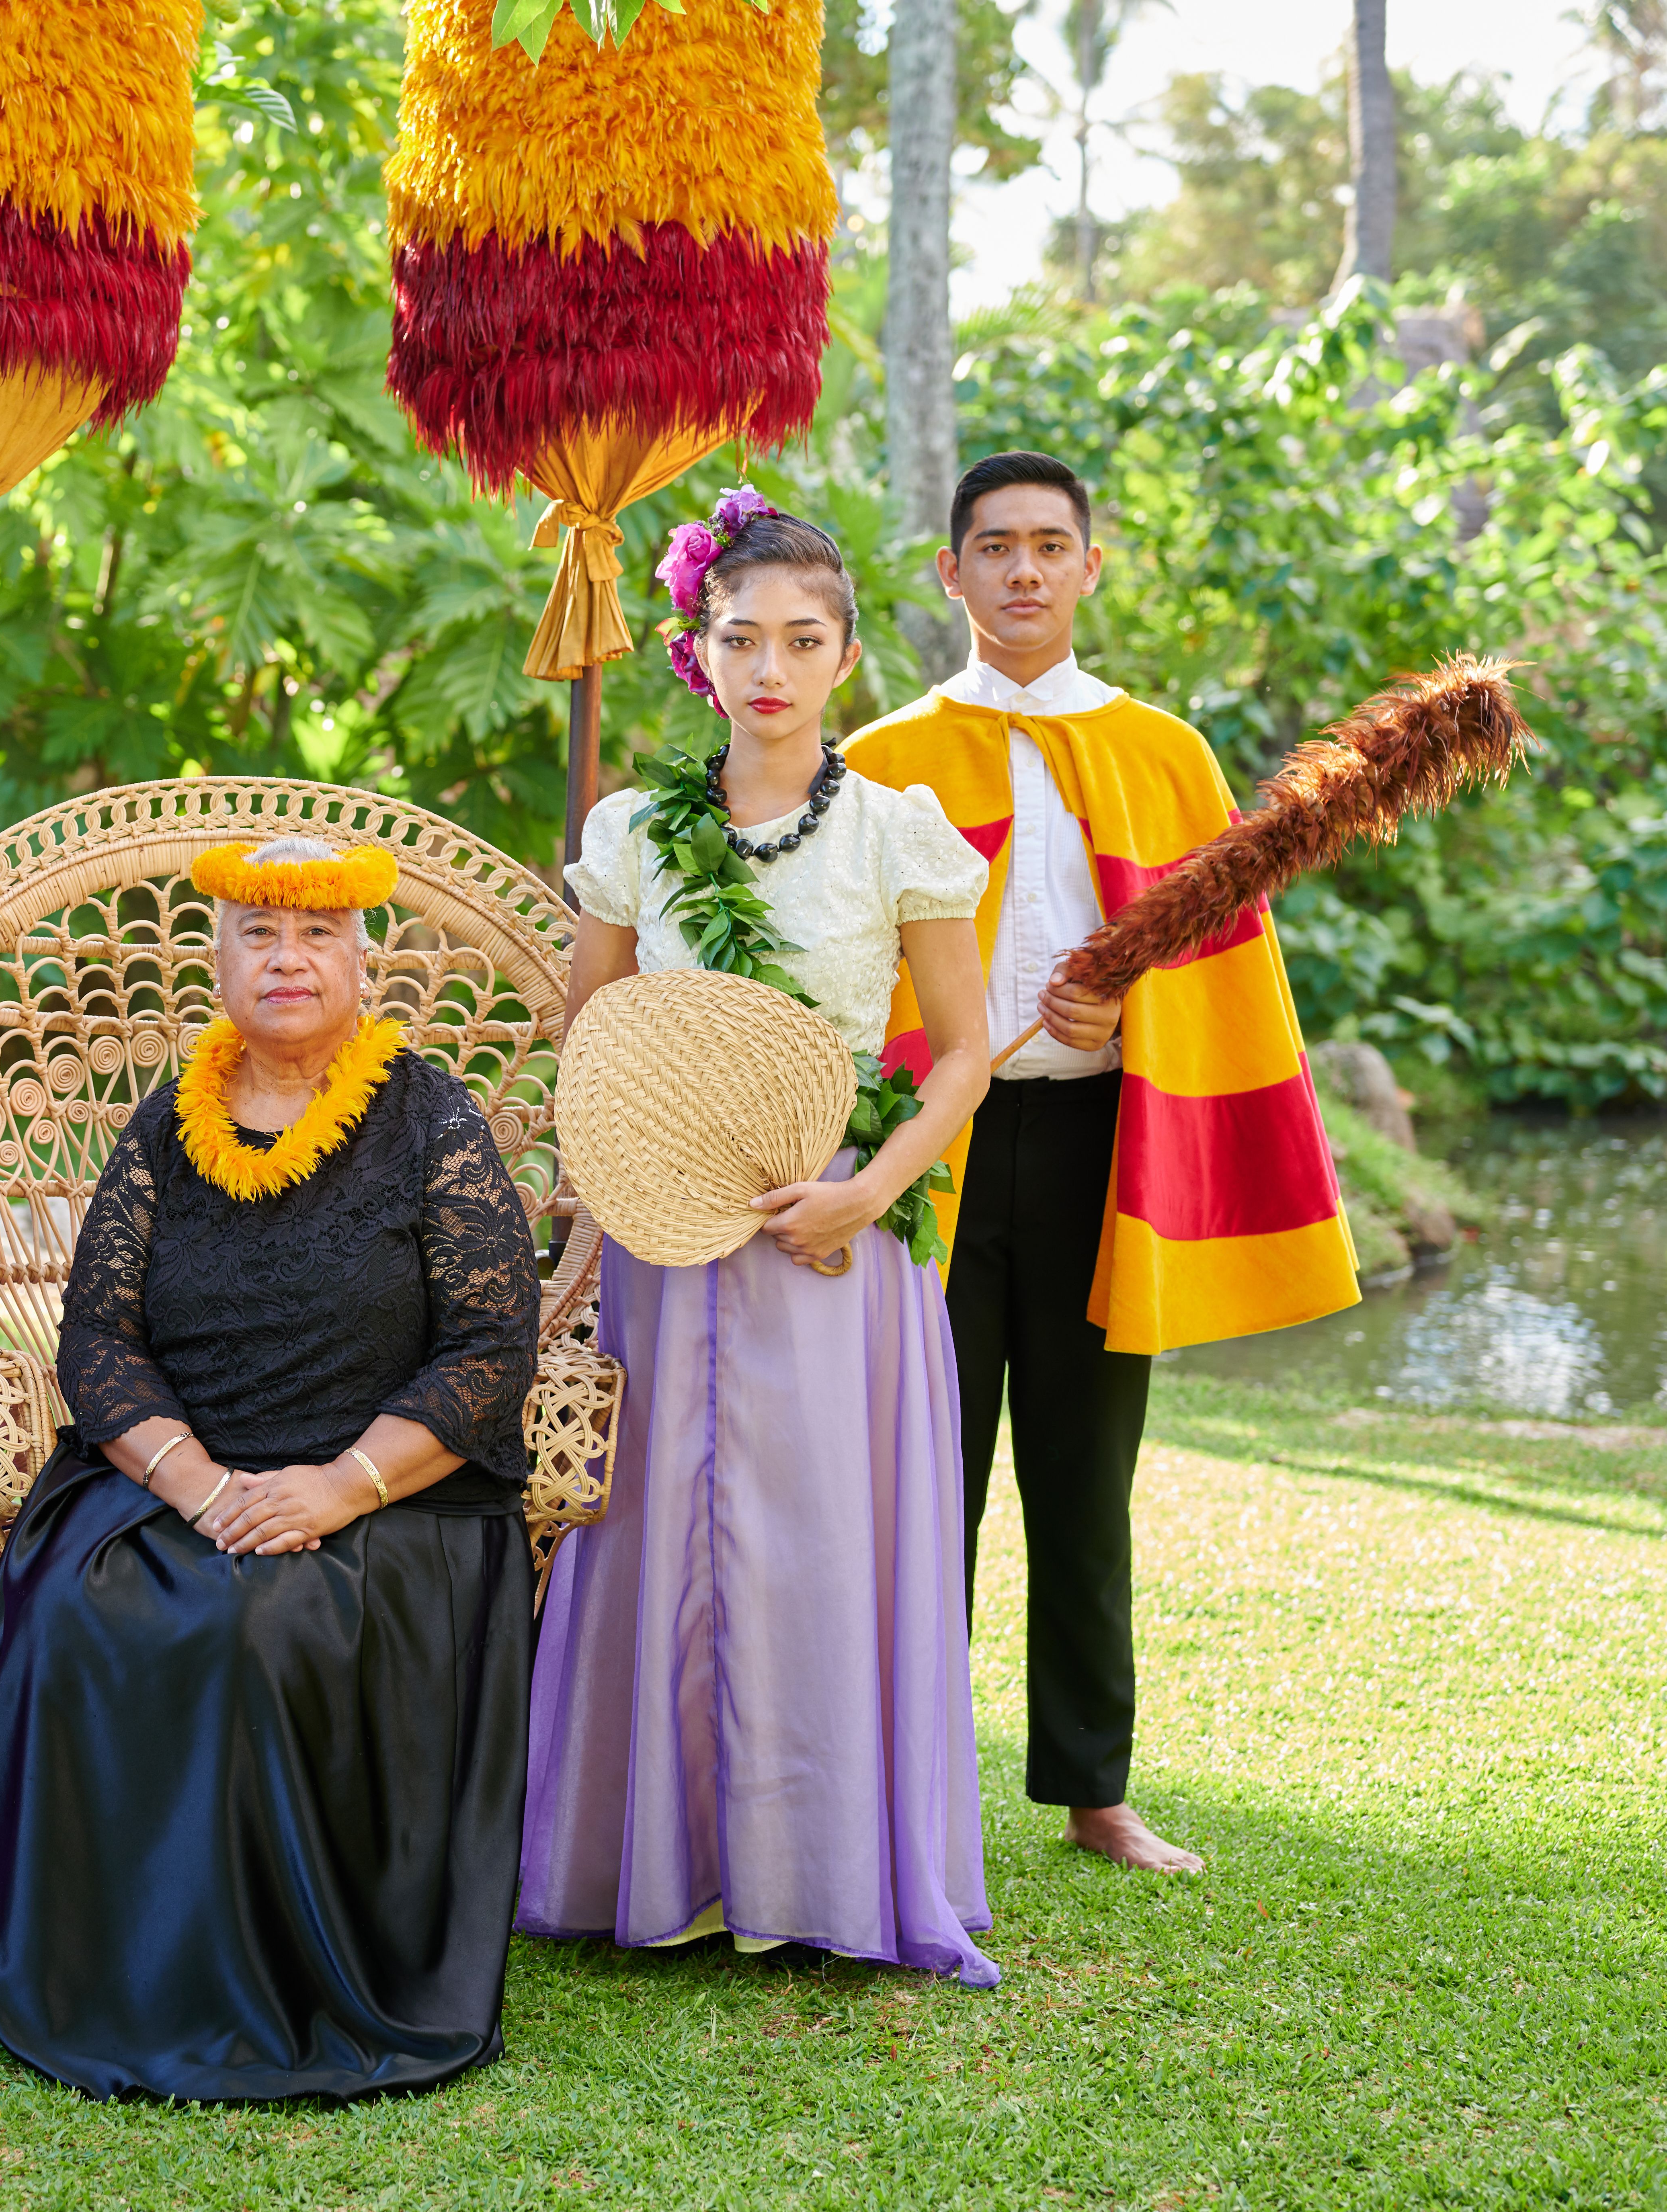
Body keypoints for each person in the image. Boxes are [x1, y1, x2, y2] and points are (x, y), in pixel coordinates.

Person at [846, 450, 1359, 1874]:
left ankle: (1093, 1788)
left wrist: (1133, 1009)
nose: (1022, 570)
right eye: (994, 547)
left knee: (1086, 1474)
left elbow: (1224, 966)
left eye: (1049, 546)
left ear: (1090, 565)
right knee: (915, 1473)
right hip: (931, 1155)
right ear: (948, 573)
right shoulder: (884, 763)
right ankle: (907, 1781)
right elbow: (842, 965)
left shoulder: (1164, 754)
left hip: (1095, 1142)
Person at [0, 837, 541, 2101]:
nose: (288, 958)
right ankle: (116, 1976)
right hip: (174, 1479)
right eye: (258, 934)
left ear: (363, 959)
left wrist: (338, 1486)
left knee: (264, 1622)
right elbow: (97, 1339)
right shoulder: (168, 1126)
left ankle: (282, 1989)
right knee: (87, 1604)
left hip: (395, 1494)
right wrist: (202, 1487)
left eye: (317, 935)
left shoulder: (430, 1115)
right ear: (215, 962)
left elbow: (496, 1345)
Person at [521, 492, 1001, 1986]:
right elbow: (589, 1030)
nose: (772, 668)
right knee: (658, 1527)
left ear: (847, 656)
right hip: (667, 1240)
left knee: (818, 1542)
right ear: (701, 655)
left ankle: (826, 1870)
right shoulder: (634, 833)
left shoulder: (895, 834)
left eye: (804, 640)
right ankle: (652, 1865)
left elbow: (969, 1048)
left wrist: (873, 1189)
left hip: (837, 1234)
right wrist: (618, 1177)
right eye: (744, 639)